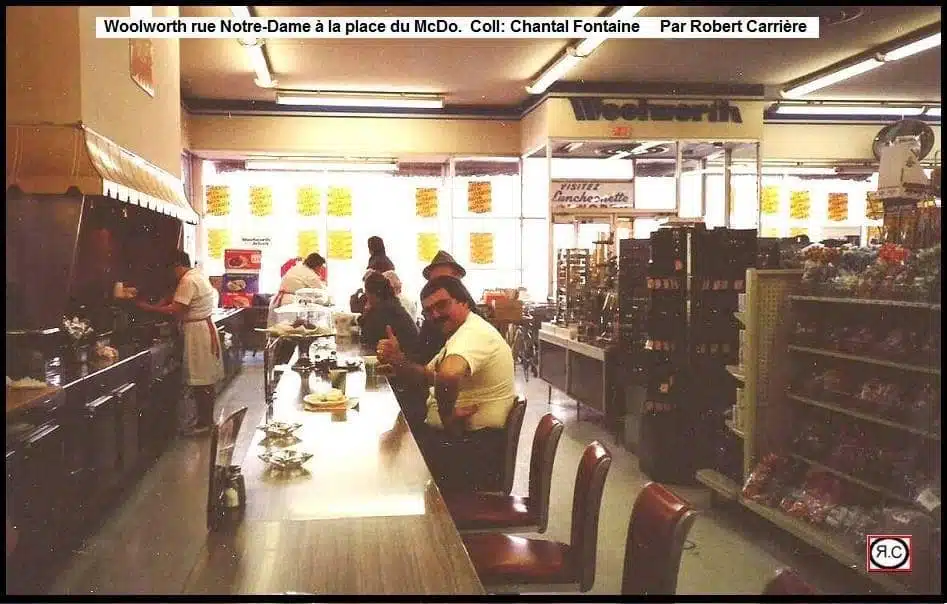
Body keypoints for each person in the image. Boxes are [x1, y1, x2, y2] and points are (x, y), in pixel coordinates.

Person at [377, 276, 515, 493]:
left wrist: (447, 415)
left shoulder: (474, 333)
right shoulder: (459, 335)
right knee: (387, 446)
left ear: (464, 302)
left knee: (383, 467)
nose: (435, 315)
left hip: (471, 450)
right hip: (459, 443)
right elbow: (428, 376)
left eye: (442, 305)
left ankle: (423, 525)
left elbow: (448, 375)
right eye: (428, 311)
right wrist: (398, 360)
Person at [135, 250, 224, 436]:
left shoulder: (188, 280)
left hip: (197, 333)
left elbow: (176, 309)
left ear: (177, 266)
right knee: (205, 379)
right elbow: (175, 300)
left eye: (171, 269)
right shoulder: (197, 275)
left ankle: (204, 424)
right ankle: (205, 422)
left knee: (201, 381)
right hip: (203, 328)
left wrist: (148, 308)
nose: (171, 274)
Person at [413, 250, 480, 365]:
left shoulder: (475, 322)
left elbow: (451, 373)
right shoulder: (432, 317)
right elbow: (420, 354)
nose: (438, 287)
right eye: (434, 282)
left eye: (445, 281)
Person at [359, 272, 419, 360]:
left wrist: (366, 312)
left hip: (403, 361)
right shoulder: (394, 304)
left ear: (371, 294)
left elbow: (366, 339)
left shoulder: (381, 310)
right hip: (413, 356)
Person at [268, 253, 327, 327]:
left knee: (280, 329)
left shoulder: (297, 268)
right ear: (317, 266)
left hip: (279, 300)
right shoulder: (310, 275)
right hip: (291, 303)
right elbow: (320, 293)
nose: (320, 269)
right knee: (291, 330)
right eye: (320, 267)